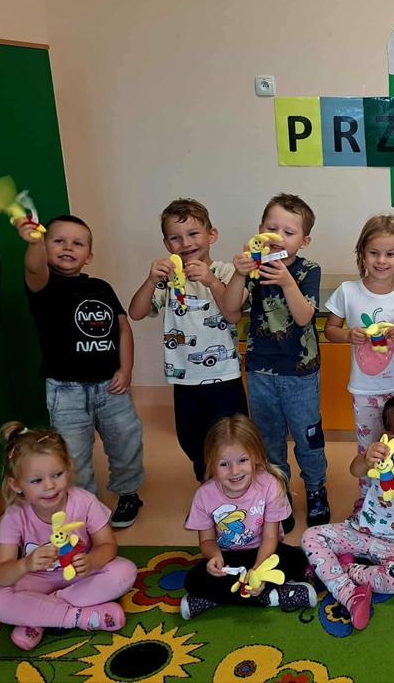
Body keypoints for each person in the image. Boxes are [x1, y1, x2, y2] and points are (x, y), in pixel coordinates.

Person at [18, 214, 144, 527]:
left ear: (88, 255)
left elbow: (123, 329)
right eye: (58, 241)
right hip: (66, 391)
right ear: (46, 247)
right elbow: (33, 268)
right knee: (73, 454)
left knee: (126, 442)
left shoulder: (101, 288)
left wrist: (126, 369)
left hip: (111, 387)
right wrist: (34, 243)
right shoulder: (44, 286)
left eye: (77, 243)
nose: (67, 247)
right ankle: (85, 506)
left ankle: (128, 493)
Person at [222, 193, 328, 531]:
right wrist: (239, 275)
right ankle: (278, 492)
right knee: (268, 439)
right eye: (272, 228)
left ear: (304, 241)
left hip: (300, 372)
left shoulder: (309, 270)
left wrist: (286, 281)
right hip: (260, 369)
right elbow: (230, 311)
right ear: (260, 231)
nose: (278, 237)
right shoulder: (253, 268)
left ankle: (315, 488)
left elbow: (304, 317)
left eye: (289, 232)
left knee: (308, 436)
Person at [301, 392, 394, 631]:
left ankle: (342, 569)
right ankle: (347, 593)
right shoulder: (383, 458)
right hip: (361, 531)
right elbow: (355, 470)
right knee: (310, 536)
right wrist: (366, 458)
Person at [0, 423, 136, 650]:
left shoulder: (84, 501)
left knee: (124, 571)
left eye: (57, 474)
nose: (50, 486)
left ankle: (38, 616)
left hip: (80, 577)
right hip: (36, 582)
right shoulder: (15, 515)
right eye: (37, 481)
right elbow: (0, 574)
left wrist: (92, 561)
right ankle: (80, 617)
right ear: (16, 484)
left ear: (68, 468)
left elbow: (107, 545)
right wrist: (25, 564)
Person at [128, 198, 246, 484]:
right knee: (191, 437)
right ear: (167, 245)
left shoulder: (226, 272)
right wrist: (150, 280)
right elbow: (136, 312)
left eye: (193, 234)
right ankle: (207, 483)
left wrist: (211, 282)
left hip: (224, 375)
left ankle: (240, 485)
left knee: (233, 437)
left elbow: (232, 314)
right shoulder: (168, 279)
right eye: (175, 238)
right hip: (184, 376)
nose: (186, 243)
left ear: (211, 235)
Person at [181, 415, 316, 619]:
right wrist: (215, 558)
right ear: (211, 463)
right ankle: (275, 596)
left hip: (264, 553)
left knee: (297, 559)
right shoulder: (204, 495)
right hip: (228, 559)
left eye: (243, 460)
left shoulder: (270, 485)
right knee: (193, 579)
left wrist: (258, 572)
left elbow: (270, 538)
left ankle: (214, 598)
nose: (234, 471)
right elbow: (207, 541)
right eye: (224, 464)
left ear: (256, 457)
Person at [324, 214, 394, 502]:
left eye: (390, 254)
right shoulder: (348, 291)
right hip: (364, 390)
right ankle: (367, 502)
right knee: (369, 450)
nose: (381, 260)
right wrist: (347, 334)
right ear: (362, 253)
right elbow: (330, 329)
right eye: (374, 252)